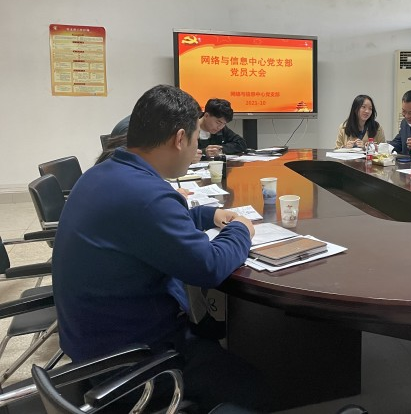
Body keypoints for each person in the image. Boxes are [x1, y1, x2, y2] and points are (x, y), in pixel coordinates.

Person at [53, 85, 262, 411]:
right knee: (257, 385)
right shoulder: (146, 195)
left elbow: (152, 224)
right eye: (195, 139)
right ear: (179, 139)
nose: (195, 150)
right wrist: (240, 230)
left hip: (90, 346)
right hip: (133, 365)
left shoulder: (105, 173)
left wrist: (208, 215)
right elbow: (208, 267)